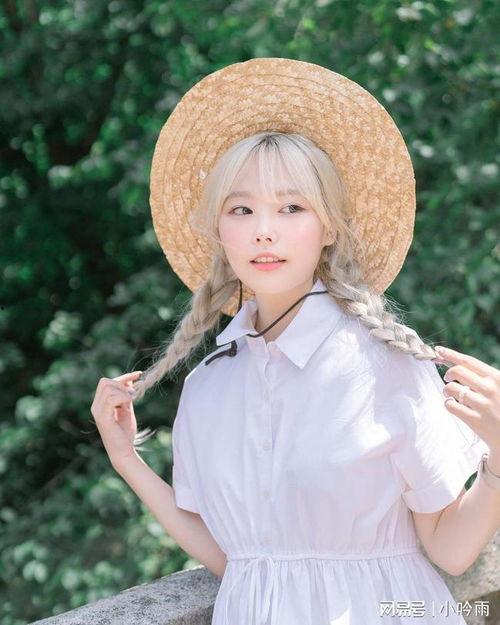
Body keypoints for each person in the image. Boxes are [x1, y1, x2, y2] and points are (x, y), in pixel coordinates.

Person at [90, 58, 500, 624]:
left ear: (327, 226)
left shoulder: (382, 363)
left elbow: (452, 550)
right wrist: (125, 459)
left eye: (291, 207)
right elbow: (236, 559)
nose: (264, 230)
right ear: (220, 230)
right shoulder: (209, 385)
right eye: (242, 209)